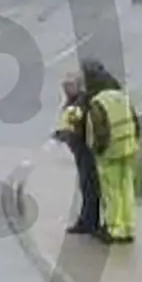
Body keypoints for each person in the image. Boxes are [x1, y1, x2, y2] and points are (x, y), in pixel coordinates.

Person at [81, 60, 141, 244]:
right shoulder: (121, 95)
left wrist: (95, 150)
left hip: (110, 152)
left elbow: (97, 131)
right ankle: (129, 227)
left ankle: (115, 229)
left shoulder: (98, 102)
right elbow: (134, 119)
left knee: (111, 190)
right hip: (129, 146)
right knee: (126, 187)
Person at [53, 72, 100, 234]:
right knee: (85, 185)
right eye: (64, 86)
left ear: (77, 86)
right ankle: (87, 219)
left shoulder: (80, 102)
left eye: (69, 86)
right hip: (79, 148)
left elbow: (74, 123)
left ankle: (89, 221)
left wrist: (64, 133)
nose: (65, 89)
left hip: (85, 148)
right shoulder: (74, 102)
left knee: (89, 185)